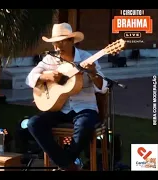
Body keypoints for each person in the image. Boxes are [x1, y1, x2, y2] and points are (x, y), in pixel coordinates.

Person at [25, 22, 108, 171]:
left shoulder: (87, 58)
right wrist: (47, 76)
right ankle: (68, 165)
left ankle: (64, 164)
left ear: (71, 41)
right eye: (55, 43)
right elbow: (30, 79)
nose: (57, 47)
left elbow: (102, 87)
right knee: (33, 123)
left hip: (84, 108)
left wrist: (93, 72)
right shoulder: (50, 59)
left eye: (61, 42)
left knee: (83, 126)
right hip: (59, 109)